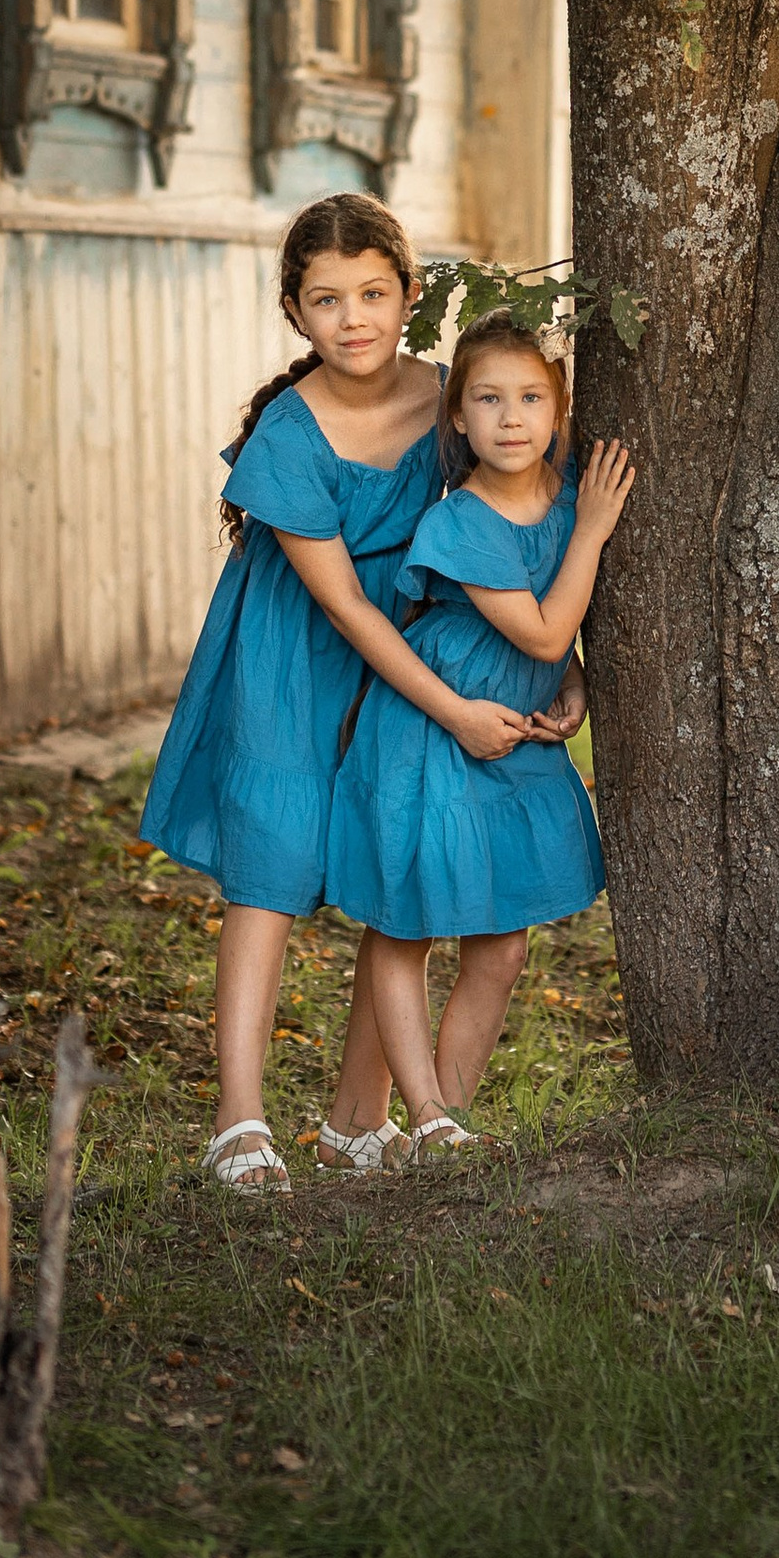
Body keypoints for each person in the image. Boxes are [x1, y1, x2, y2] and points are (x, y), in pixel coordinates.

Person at [140, 196, 579, 1194]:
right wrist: (452, 710)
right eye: (327, 298)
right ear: (293, 310)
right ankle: (237, 1119)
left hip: (418, 641)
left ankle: (356, 1122)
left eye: (374, 293)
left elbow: (505, 528)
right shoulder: (292, 433)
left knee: (396, 860)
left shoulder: (450, 399)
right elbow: (339, 600)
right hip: (295, 649)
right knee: (273, 858)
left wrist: (558, 666)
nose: (353, 319)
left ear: (410, 295)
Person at [327, 315, 629, 1143]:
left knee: (501, 947)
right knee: (406, 926)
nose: (511, 417)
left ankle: (447, 1124)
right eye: (488, 399)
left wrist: (573, 681)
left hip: (514, 736)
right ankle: (424, 1113)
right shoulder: (460, 520)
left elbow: (552, 639)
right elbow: (541, 629)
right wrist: (594, 531)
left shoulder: (567, 499)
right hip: (430, 731)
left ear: (558, 409)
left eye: (531, 397)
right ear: (457, 416)